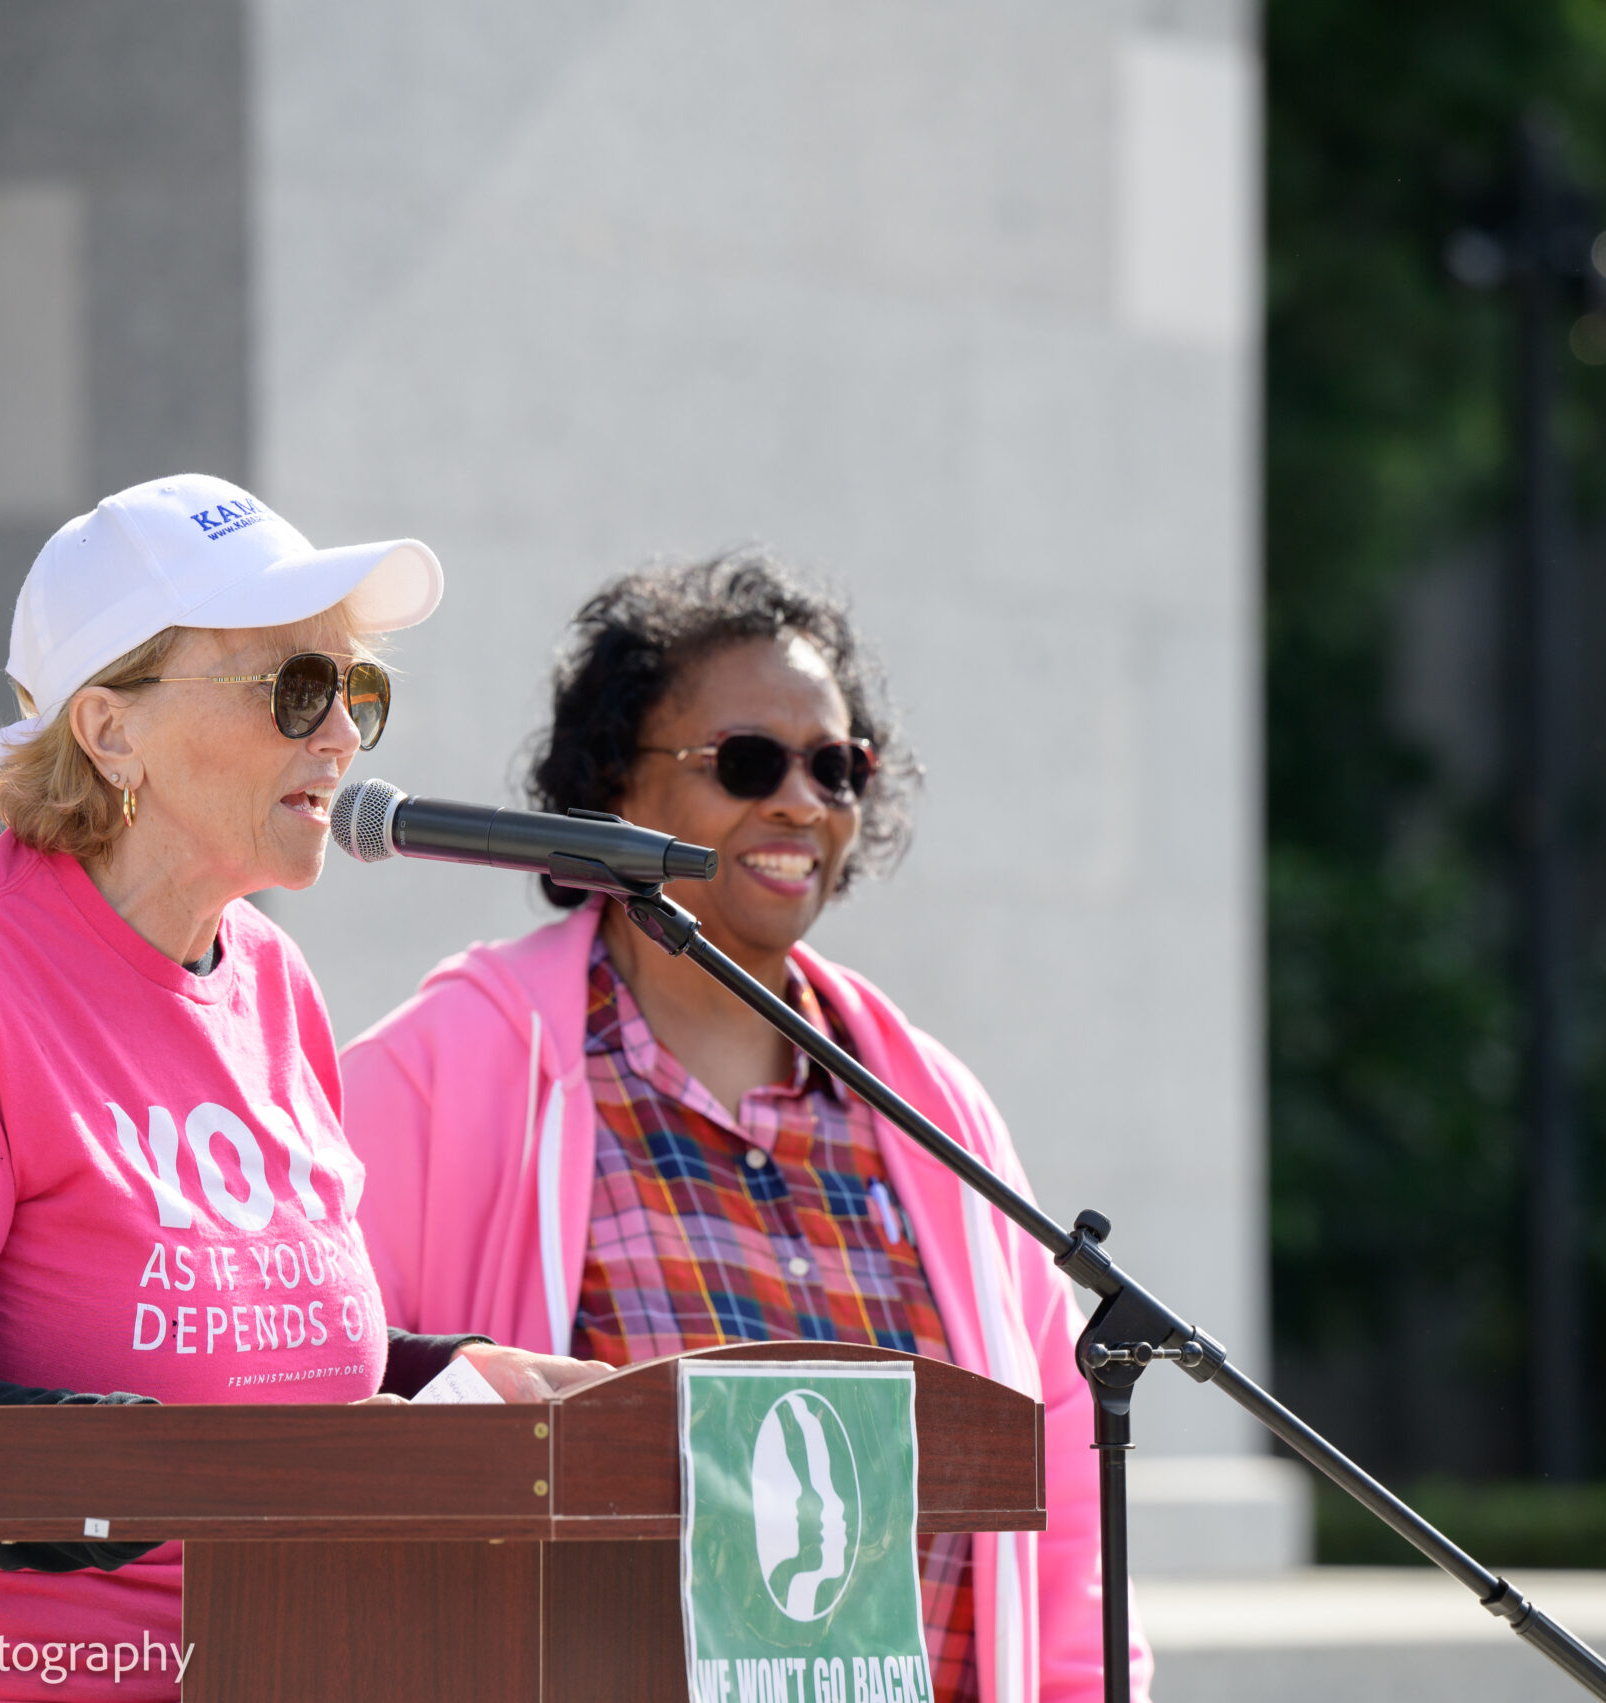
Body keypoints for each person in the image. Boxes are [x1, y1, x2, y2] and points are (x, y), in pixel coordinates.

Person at [0, 476, 603, 1703]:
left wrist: (474, 1378)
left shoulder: (273, 982)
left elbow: (250, 1351)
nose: (339, 734)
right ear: (107, 728)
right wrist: (263, 1472)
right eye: (295, 689)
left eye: (357, 690)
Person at [342, 551, 1152, 1702]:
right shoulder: (439, 1070)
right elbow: (310, 1399)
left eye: (836, 767)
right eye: (747, 762)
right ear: (616, 790)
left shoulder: (936, 1114)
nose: (801, 802)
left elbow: (1065, 1506)